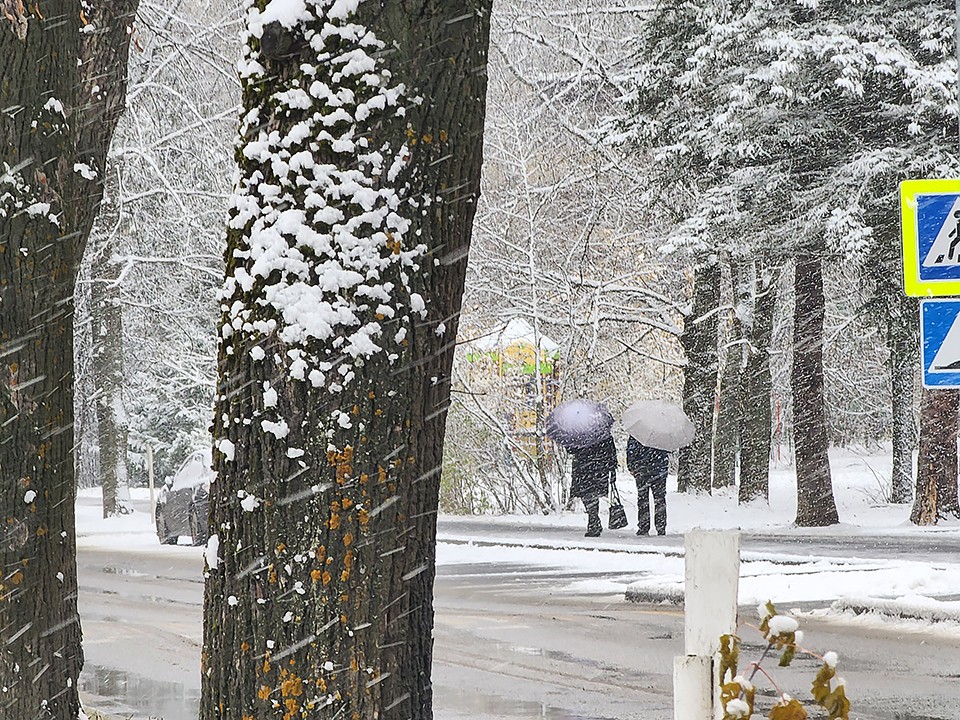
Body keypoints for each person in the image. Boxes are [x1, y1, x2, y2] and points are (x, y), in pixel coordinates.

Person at [569, 435, 617, 537]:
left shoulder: (579, 431)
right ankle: (593, 520)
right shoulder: (602, 431)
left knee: (588, 494)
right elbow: (610, 450)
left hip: (587, 467)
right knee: (590, 494)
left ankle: (593, 521)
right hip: (596, 467)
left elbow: (571, 449)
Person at [626, 436, 669, 536]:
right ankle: (661, 526)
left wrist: (632, 466)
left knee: (643, 499)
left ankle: (644, 526)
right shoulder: (662, 434)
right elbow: (667, 451)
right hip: (659, 471)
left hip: (642, 471)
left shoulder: (637, 433)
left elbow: (631, 450)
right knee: (660, 500)